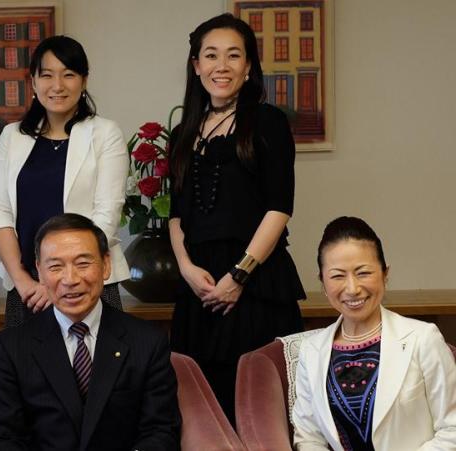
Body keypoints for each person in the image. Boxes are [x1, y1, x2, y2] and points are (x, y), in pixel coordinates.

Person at [168, 13, 306, 422]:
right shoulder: (182, 132)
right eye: (210, 55)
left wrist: (239, 275)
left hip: (255, 284)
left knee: (260, 411)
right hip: (198, 289)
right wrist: (187, 269)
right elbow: (176, 215)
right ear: (196, 66)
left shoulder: (268, 122)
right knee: (199, 413)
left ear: (248, 66)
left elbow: (279, 207)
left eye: (233, 55)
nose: (221, 66)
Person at [0, 213, 180, 450]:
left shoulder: (147, 341)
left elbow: (160, 431)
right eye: (55, 266)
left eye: (83, 263)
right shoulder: (11, 347)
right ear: (40, 271)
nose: (70, 279)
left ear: (106, 265)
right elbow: (1, 437)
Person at [0, 35, 129, 327]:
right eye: (46, 75)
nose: (57, 85)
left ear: (84, 81)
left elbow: (106, 218)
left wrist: (61, 280)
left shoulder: (105, 133)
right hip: (28, 292)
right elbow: (0, 215)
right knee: (26, 371)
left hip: (88, 286)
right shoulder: (12, 136)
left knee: (99, 371)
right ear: (33, 82)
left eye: (68, 75)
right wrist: (23, 281)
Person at [292, 216, 456, 450]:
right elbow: (309, 437)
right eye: (338, 276)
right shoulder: (311, 350)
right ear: (323, 283)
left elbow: (452, 429)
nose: (352, 288)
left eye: (363, 273)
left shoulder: (423, 338)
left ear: (385, 273)